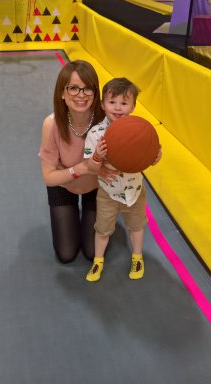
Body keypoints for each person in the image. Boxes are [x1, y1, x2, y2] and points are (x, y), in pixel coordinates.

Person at [84, 77, 160, 282]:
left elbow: (151, 157)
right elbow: (90, 167)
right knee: (102, 229)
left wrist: (155, 157)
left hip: (134, 190)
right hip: (108, 192)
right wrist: (97, 157)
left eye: (124, 103)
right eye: (112, 102)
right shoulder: (96, 134)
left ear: (133, 107)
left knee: (136, 225)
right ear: (102, 104)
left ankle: (137, 257)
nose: (118, 108)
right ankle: (98, 261)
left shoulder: (139, 132)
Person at [39, 60, 114, 264]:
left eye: (87, 88)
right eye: (73, 88)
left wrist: (151, 154)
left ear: (95, 92)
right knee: (66, 254)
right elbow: (49, 177)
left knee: (92, 253)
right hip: (64, 186)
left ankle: (94, 214)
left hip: (97, 189)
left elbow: (132, 144)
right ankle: (73, 212)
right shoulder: (52, 124)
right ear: (62, 93)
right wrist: (82, 168)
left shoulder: (106, 122)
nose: (81, 95)